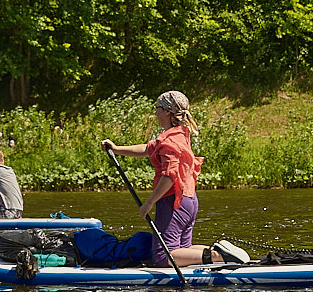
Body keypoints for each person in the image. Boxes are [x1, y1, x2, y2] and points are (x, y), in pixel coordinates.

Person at [101, 90, 250, 267]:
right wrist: (116, 149)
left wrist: (149, 203)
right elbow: (147, 149)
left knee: (165, 257)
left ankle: (218, 256)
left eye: (157, 108)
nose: (155, 112)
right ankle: (220, 253)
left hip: (174, 201)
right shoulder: (179, 134)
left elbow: (170, 176)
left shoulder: (169, 140)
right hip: (189, 201)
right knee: (182, 248)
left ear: (167, 111)